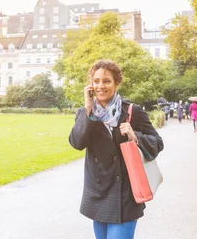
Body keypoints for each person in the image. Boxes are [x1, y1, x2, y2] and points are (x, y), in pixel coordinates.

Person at [69, 60, 164, 239]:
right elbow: (76, 143)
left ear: (116, 83)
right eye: (96, 81)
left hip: (125, 194)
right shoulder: (87, 113)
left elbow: (158, 143)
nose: (100, 86)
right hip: (98, 192)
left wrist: (135, 136)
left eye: (106, 81)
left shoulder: (131, 112)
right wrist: (88, 108)